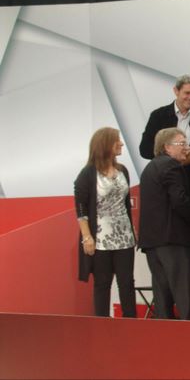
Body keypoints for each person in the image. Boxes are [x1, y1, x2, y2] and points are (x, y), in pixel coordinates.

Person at [138, 128, 190, 320]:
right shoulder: (171, 166)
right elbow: (179, 200)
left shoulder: (150, 167)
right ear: (167, 147)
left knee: (162, 294)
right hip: (173, 239)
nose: (187, 148)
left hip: (153, 241)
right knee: (185, 293)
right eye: (181, 143)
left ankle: (165, 334)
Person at [74, 127, 136, 318]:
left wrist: (132, 227)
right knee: (102, 283)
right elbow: (81, 208)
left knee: (127, 282)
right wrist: (87, 237)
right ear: (106, 144)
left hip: (124, 236)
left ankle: (131, 322)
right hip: (101, 238)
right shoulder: (88, 173)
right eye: (117, 140)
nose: (121, 143)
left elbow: (125, 203)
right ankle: (102, 322)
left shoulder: (123, 170)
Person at [139, 74, 190, 209]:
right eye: (187, 93)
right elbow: (145, 149)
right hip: (163, 184)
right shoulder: (158, 116)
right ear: (176, 91)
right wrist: (171, 156)